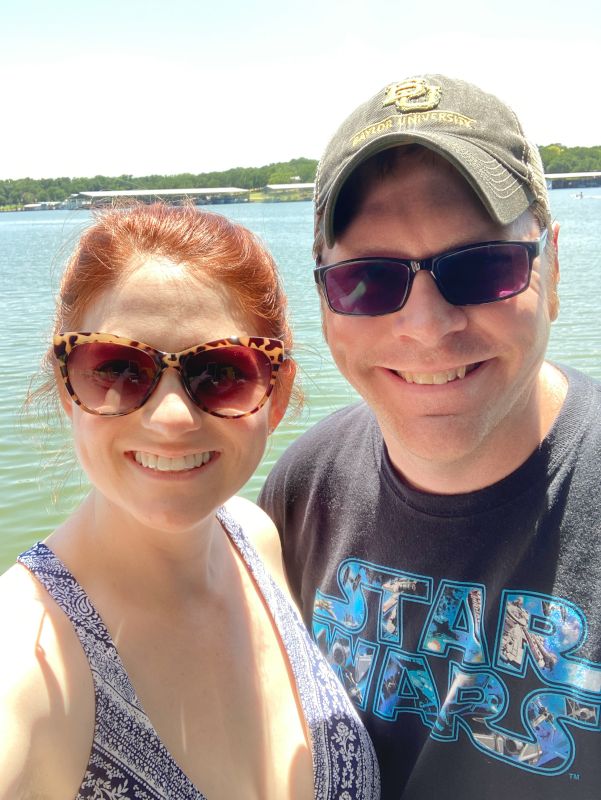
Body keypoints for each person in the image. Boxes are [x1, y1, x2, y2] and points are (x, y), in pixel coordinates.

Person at [259, 74, 601, 799]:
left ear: (552, 263)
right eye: (367, 279)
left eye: (482, 267)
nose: (425, 326)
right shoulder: (303, 488)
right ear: (324, 297)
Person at [0, 204, 380, 800]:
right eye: (118, 369)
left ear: (276, 396)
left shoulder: (255, 536)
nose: (172, 418)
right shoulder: (24, 661)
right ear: (67, 389)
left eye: (221, 372)